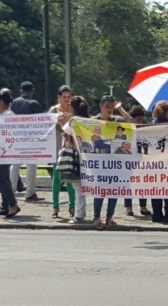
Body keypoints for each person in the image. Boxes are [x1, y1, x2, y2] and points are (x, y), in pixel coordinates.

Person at [90, 95, 130, 229]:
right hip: (99, 162)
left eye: (112, 107)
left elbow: (130, 121)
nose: (109, 110)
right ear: (101, 106)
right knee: (100, 190)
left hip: (115, 162)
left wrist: (120, 109)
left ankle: (109, 217)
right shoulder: (93, 121)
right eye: (107, 107)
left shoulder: (117, 120)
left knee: (114, 190)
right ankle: (96, 217)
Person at [0, 89, 22, 218]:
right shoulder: (1, 115)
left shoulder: (9, 116)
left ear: (1, 102)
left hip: (4, 152)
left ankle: (13, 205)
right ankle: (5, 206)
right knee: (5, 178)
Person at [10, 81, 44, 202]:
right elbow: (40, 122)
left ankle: (11, 191)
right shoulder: (34, 103)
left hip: (16, 136)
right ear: (32, 91)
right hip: (30, 137)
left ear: (21, 90)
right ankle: (30, 193)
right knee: (31, 165)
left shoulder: (14, 102)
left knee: (15, 164)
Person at [49, 85, 75, 219]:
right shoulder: (54, 110)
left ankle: (72, 206)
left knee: (70, 178)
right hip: (57, 148)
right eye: (64, 97)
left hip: (70, 147)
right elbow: (47, 127)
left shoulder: (73, 110)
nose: (66, 99)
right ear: (59, 98)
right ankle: (55, 207)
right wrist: (59, 123)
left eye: (69, 97)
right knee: (57, 179)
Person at [65, 96, 92, 224]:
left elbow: (65, 134)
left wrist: (59, 125)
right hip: (88, 156)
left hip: (75, 156)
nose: (68, 107)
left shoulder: (73, 121)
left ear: (73, 108)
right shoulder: (88, 120)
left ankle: (79, 215)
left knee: (78, 186)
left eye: (70, 105)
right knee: (80, 186)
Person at [124, 106, 151, 217]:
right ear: (132, 119)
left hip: (141, 160)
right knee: (127, 184)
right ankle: (128, 208)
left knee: (142, 183)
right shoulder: (126, 129)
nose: (140, 122)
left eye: (142, 119)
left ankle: (143, 206)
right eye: (138, 120)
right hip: (128, 161)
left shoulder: (145, 130)